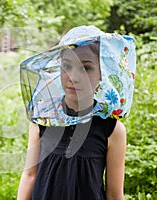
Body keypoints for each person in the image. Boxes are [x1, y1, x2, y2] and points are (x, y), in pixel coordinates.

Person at [18, 25, 136, 200]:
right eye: (67, 66)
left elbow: (114, 194)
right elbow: (30, 175)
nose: (73, 76)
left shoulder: (112, 129)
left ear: (102, 73)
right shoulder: (43, 117)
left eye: (86, 68)